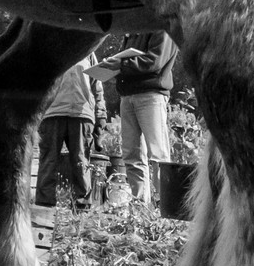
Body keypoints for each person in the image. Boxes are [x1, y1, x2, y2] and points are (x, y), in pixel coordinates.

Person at [114, 30, 179, 205]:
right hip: (127, 95)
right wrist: (114, 65)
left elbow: (154, 61)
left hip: (151, 95)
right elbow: (125, 60)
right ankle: (140, 205)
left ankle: (164, 206)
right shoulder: (132, 31)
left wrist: (120, 64)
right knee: (130, 154)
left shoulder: (163, 29)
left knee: (158, 154)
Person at [35, 54, 106, 209]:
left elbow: (97, 86)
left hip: (82, 114)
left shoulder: (89, 50)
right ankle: (43, 209)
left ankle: (83, 208)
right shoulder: (49, 46)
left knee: (81, 162)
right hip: (52, 113)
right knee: (49, 161)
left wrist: (100, 114)